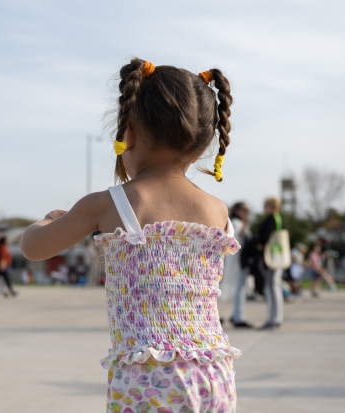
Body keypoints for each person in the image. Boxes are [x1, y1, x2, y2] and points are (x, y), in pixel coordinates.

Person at [21, 60, 239, 412]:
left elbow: (32, 247)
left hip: (147, 376)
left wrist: (50, 220)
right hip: (213, 372)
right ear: (203, 146)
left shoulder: (109, 204)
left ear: (129, 132)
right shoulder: (217, 210)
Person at [223, 202, 253, 328]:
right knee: (238, 290)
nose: (246, 212)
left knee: (240, 290)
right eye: (243, 210)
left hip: (241, 262)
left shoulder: (239, 223)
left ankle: (236, 314)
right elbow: (237, 242)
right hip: (237, 262)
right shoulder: (235, 223)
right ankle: (238, 317)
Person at [256, 197, 285, 330]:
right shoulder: (279, 218)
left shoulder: (272, 219)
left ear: (270, 206)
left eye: (265, 205)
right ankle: (276, 318)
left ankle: (274, 319)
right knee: (275, 286)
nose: (263, 208)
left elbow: (264, 237)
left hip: (273, 258)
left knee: (272, 286)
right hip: (278, 257)